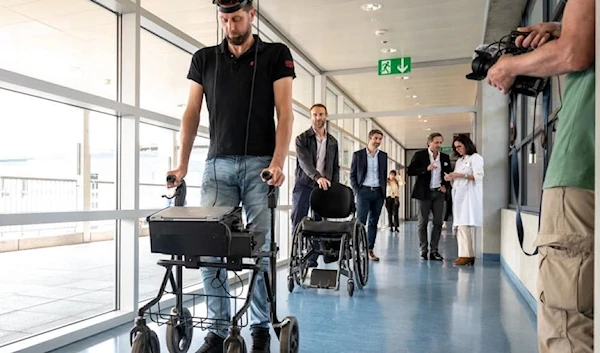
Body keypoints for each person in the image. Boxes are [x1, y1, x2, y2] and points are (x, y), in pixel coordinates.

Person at [165, 1, 295, 352]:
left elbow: (284, 113)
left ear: (252, 14)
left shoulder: (276, 55)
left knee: (260, 251)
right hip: (218, 165)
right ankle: (217, 331)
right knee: (209, 251)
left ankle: (258, 330)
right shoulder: (204, 59)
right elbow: (191, 112)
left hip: (260, 167)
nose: (231, 26)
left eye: (237, 18)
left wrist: (279, 161)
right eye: (224, 19)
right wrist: (182, 165)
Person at [487, 1, 594, 351]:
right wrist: (565, 30)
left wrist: (510, 66)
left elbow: (575, 54)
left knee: (568, 320)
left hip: (582, 168)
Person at [292, 103, 340, 267]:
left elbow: (335, 166)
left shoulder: (332, 141)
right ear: (310, 117)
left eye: (321, 114)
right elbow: (305, 163)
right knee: (299, 222)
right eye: (315, 115)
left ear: (326, 116)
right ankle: (297, 258)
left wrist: (334, 186)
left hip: (323, 188)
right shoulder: (302, 139)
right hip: (304, 186)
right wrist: (317, 177)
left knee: (320, 223)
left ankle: (313, 259)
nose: (318, 118)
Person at [407, 132, 452, 261]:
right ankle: (423, 250)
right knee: (423, 223)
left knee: (438, 222)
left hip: (438, 193)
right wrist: (425, 169)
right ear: (429, 143)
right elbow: (410, 171)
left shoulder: (444, 157)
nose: (439, 145)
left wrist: (445, 186)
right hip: (424, 193)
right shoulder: (419, 155)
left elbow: (447, 174)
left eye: (440, 143)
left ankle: (434, 251)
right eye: (436, 142)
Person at [443, 134, 484, 266]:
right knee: (460, 225)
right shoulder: (460, 161)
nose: (458, 149)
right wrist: (451, 177)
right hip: (459, 196)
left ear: (467, 144)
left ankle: (467, 255)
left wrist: (459, 175)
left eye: (460, 146)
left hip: (469, 196)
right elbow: (457, 177)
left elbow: (478, 176)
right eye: (456, 148)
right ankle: (464, 254)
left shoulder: (476, 158)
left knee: (464, 224)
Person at [350, 129, 388, 261]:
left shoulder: (383, 156)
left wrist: (384, 194)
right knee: (360, 222)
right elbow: (353, 175)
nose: (378, 141)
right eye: (375, 138)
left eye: (380, 139)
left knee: (374, 222)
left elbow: (383, 175)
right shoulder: (358, 155)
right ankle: (357, 248)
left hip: (378, 192)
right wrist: (357, 191)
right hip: (363, 192)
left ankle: (369, 250)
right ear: (369, 138)